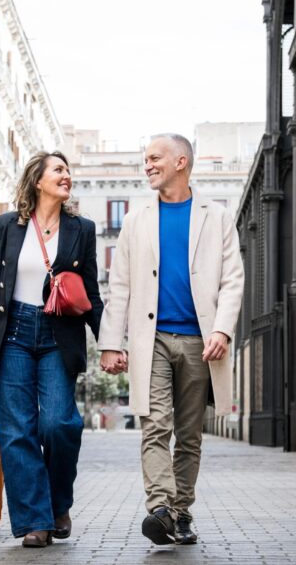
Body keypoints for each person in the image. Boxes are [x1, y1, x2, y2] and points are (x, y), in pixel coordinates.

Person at [97, 134, 244, 546]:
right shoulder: (135, 219)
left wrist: (222, 329)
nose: (147, 165)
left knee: (190, 434)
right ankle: (160, 508)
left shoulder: (216, 217)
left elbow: (233, 280)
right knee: (154, 424)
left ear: (181, 161)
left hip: (201, 340)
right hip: (153, 339)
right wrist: (112, 341)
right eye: (145, 159)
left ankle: (181, 513)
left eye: (154, 158)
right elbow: (120, 284)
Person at [0, 151, 103, 548]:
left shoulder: (81, 229)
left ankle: (58, 504)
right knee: (17, 431)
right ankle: (35, 522)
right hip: (13, 331)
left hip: (58, 333)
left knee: (58, 424)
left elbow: (90, 292)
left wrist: (109, 344)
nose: (66, 175)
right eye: (58, 170)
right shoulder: (9, 225)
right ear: (38, 180)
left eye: (68, 170)